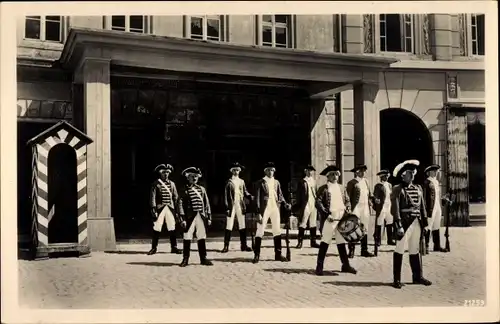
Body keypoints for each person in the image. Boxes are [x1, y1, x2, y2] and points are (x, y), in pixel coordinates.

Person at [391, 160, 432, 289]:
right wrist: (398, 225)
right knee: (400, 249)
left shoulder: (418, 188)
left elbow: (422, 207)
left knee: (414, 250)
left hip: (417, 222)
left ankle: (417, 277)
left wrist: (425, 224)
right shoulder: (397, 189)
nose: (412, 175)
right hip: (405, 223)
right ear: (403, 175)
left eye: (413, 173)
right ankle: (396, 279)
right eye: (410, 173)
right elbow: (395, 209)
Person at [315, 165, 357, 275]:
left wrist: (348, 208)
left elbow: (347, 200)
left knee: (341, 242)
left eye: (336, 174)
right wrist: (326, 214)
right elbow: (318, 203)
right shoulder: (323, 188)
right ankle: (319, 266)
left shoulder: (342, 188)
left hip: (341, 217)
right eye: (332, 174)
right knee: (325, 241)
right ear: (328, 176)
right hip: (330, 218)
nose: (335, 176)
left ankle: (345, 265)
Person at [252, 162, 292, 264]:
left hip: (275, 207)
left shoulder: (276, 182)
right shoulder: (260, 183)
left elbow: (280, 195)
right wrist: (257, 212)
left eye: (272, 170)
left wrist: (285, 203)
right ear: (265, 171)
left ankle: (278, 254)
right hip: (264, 208)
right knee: (260, 230)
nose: (271, 172)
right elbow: (256, 199)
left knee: (277, 230)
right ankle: (257, 255)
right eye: (269, 170)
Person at [178, 167, 213, 267]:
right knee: (187, 237)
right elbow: (180, 204)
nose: (194, 178)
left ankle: (203, 258)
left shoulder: (202, 189)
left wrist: (209, 216)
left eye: (196, 177)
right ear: (187, 177)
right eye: (192, 176)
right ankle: (185, 259)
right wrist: (182, 218)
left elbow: (206, 204)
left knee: (201, 236)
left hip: (201, 215)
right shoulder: (184, 189)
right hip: (189, 216)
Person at [148, 164, 182, 255]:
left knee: (172, 227)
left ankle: (174, 247)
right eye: (164, 172)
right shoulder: (156, 184)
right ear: (160, 173)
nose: (166, 174)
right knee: (157, 227)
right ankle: (154, 248)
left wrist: (177, 210)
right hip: (160, 208)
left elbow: (176, 198)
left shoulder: (172, 184)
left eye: (167, 172)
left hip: (170, 208)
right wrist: (153, 208)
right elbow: (153, 198)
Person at [221, 162, 253, 253]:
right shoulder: (229, 182)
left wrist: (250, 196)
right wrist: (227, 207)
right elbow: (226, 195)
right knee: (229, 224)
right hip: (232, 205)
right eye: (234, 170)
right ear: (232, 171)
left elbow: (245, 192)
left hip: (240, 204)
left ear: (239, 171)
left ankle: (244, 245)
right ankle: (226, 246)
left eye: (237, 170)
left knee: (242, 224)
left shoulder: (241, 181)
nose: (236, 172)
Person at [346, 164, 375, 258]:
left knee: (364, 228)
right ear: (356, 172)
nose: (363, 173)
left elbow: (369, 194)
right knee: (353, 228)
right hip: (356, 207)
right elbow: (347, 197)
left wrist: (372, 200)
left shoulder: (366, 181)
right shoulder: (352, 183)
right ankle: (351, 251)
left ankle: (364, 250)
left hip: (365, 207)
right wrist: (348, 207)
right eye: (361, 171)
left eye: (364, 171)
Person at [423, 164, 449, 253]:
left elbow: (437, 195)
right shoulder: (427, 182)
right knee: (428, 225)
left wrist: (443, 199)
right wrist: (425, 209)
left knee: (436, 225)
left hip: (437, 206)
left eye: (436, 171)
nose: (435, 173)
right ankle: (425, 246)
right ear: (429, 172)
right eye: (434, 171)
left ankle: (437, 246)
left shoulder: (436, 182)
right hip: (430, 207)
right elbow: (424, 197)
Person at [295, 165, 320, 249]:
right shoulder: (302, 181)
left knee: (313, 223)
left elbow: (317, 193)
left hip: (313, 203)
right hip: (305, 204)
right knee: (303, 222)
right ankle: (300, 242)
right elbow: (298, 194)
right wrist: (298, 205)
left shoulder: (315, 181)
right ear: (305, 171)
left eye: (311, 171)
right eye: (308, 171)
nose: (310, 172)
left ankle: (313, 242)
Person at [373, 169, 396, 246]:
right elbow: (375, 195)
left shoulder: (389, 185)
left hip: (389, 206)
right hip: (382, 207)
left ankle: (390, 240)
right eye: (385, 176)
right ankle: (377, 240)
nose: (386, 177)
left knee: (390, 222)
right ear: (381, 177)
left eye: (387, 176)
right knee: (379, 222)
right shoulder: (378, 185)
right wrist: (376, 199)